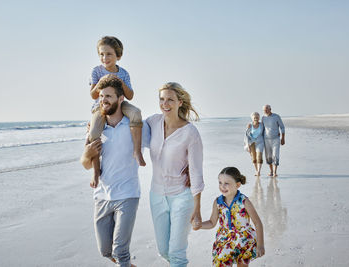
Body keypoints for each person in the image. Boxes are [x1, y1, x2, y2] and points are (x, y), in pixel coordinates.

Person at [81, 76, 149, 267]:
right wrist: (87, 153)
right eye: (102, 96)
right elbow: (86, 164)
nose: (104, 100)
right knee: (105, 251)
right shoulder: (97, 129)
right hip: (102, 195)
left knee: (121, 250)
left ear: (121, 99)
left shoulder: (135, 127)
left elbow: (162, 143)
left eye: (109, 96)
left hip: (128, 194)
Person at [145, 82, 204, 267]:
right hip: (156, 195)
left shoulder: (190, 133)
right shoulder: (152, 122)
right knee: (164, 250)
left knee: (176, 252)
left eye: (170, 99)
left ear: (180, 102)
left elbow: (196, 172)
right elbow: (129, 124)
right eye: (162, 99)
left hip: (182, 197)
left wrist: (197, 208)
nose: (165, 104)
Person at [87, 36, 145, 189]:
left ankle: (137, 151)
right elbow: (93, 94)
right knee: (93, 133)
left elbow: (130, 95)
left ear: (118, 56)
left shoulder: (124, 73)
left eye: (109, 54)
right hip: (100, 107)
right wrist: (101, 82)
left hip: (120, 103)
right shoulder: (96, 71)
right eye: (101, 54)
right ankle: (95, 170)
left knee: (136, 113)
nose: (104, 58)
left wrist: (120, 83)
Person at [200, 167, 265, 267]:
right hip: (224, 240)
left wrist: (260, 245)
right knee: (221, 263)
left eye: (226, 183)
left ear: (237, 185)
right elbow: (212, 222)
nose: (222, 186)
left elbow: (257, 222)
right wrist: (200, 225)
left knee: (242, 264)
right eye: (220, 182)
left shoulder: (244, 201)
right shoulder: (218, 202)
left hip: (244, 240)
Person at [262, 105, 285, 177]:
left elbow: (282, 127)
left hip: (276, 139)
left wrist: (283, 138)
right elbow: (262, 129)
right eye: (264, 110)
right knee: (268, 156)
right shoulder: (263, 118)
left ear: (270, 109)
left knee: (275, 155)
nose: (265, 111)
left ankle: (275, 172)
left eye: (267, 109)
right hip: (266, 139)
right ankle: (271, 171)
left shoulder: (276, 116)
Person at [244, 112, 264, 176]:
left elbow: (267, 131)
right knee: (254, 158)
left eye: (257, 117)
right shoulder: (250, 125)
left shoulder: (262, 125)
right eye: (254, 117)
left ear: (259, 118)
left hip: (260, 142)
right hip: (251, 143)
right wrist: (247, 145)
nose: (256, 119)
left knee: (259, 156)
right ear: (252, 118)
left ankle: (259, 171)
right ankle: (256, 170)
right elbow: (246, 136)